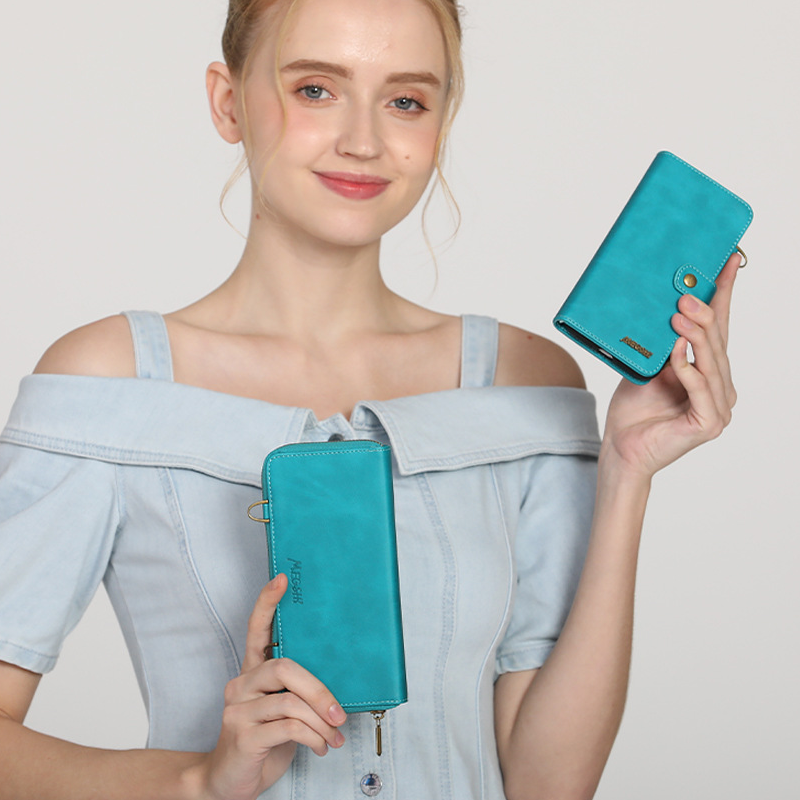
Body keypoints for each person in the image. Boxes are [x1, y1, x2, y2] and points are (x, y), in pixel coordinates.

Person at [0, 0, 740, 798]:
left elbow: (547, 785)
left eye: (406, 101)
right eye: (316, 89)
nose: (364, 140)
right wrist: (197, 783)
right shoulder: (111, 383)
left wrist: (628, 471)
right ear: (228, 102)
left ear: (442, 123)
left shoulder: (526, 383)